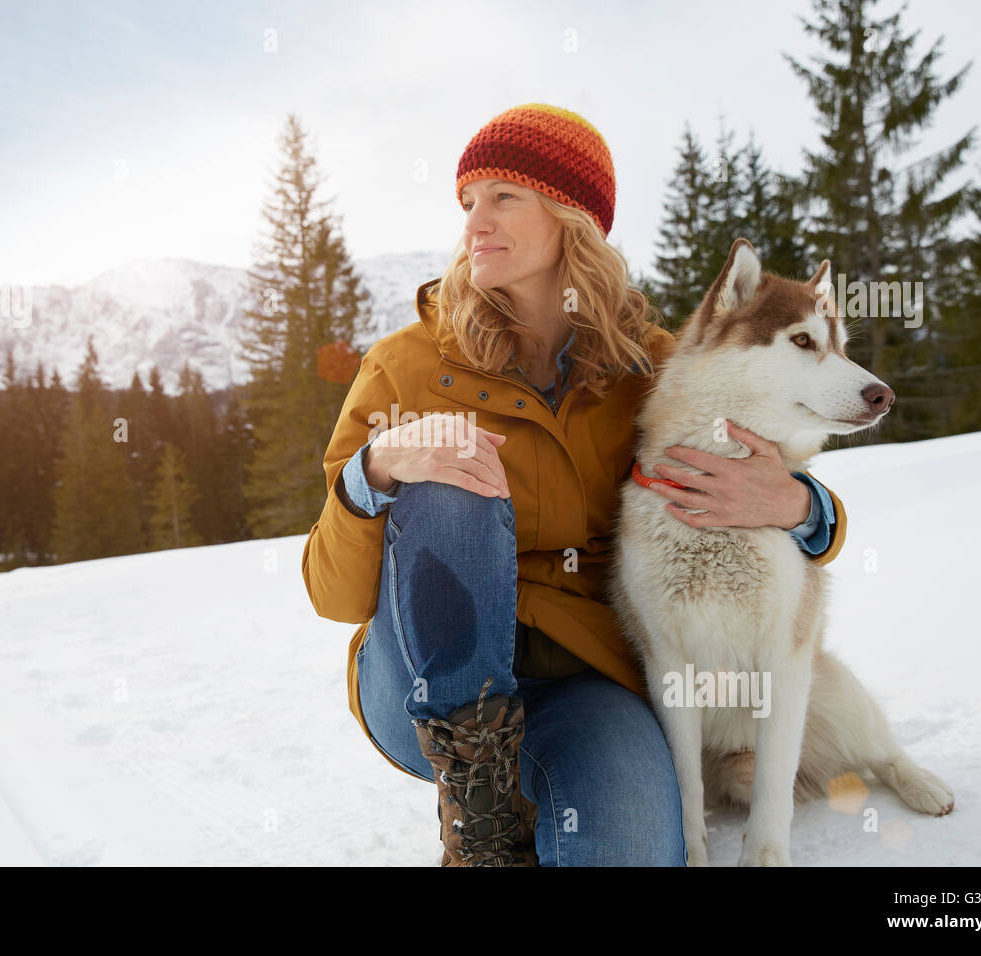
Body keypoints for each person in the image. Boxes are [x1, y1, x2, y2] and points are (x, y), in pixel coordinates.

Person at [300, 103, 847, 867]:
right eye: (467, 202)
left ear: (573, 219)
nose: (474, 223)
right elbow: (331, 595)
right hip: (427, 688)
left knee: (627, 852)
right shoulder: (407, 365)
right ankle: (481, 817)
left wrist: (801, 505)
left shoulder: (655, 368)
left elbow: (772, 454)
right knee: (452, 474)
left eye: (503, 197)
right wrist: (374, 473)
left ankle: (533, 788)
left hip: (583, 682)